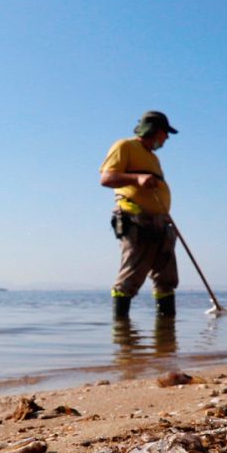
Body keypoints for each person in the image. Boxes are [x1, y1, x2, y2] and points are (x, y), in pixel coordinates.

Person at [100, 111, 178, 319]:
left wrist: (164, 213)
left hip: (161, 222)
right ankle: (123, 335)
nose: (167, 138)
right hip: (136, 220)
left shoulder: (153, 157)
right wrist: (137, 178)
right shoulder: (124, 146)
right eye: (165, 133)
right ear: (153, 131)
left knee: (166, 277)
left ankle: (166, 340)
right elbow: (107, 178)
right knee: (131, 275)